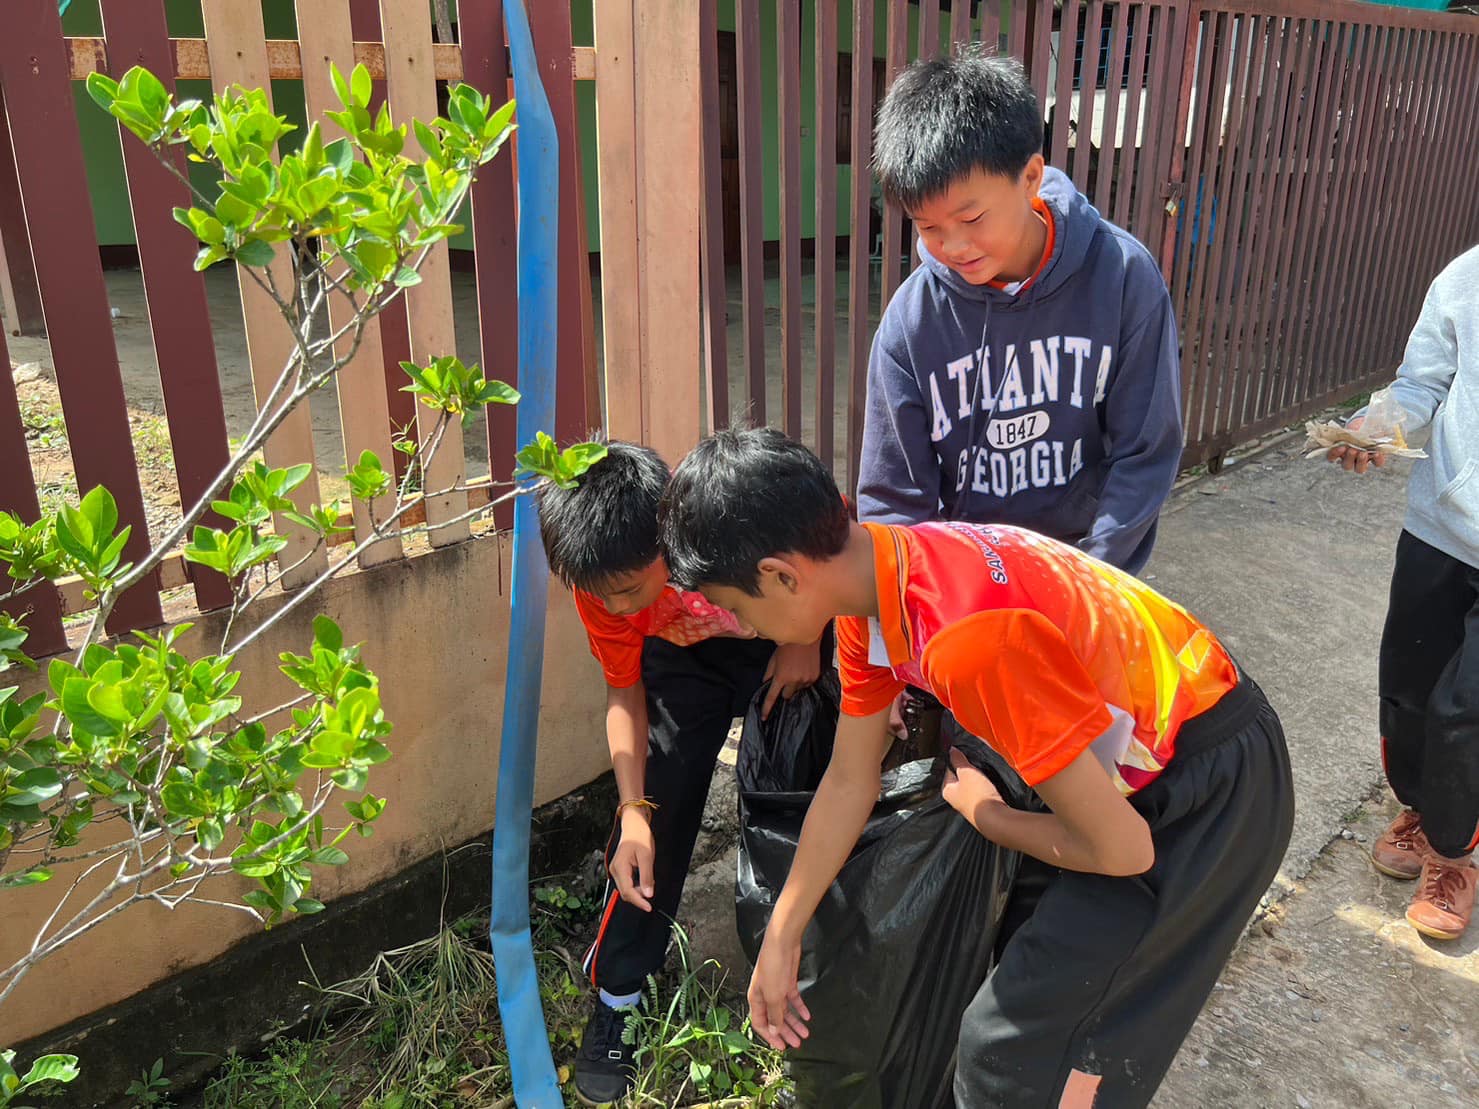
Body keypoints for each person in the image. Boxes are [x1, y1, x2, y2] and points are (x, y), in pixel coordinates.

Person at [659, 427, 1294, 1106]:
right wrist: (783, 934)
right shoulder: (874, 587)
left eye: (736, 608)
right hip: (1130, 769)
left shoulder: (964, 638)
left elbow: (1121, 850)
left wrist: (988, 815)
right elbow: (848, 780)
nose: (743, 628)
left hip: (1205, 794)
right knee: (1021, 995)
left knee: (1020, 1053)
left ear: (782, 575)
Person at [536, 441, 825, 1105]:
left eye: (629, 591)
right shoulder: (602, 583)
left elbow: (832, 544)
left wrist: (805, 637)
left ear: (669, 538)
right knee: (654, 811)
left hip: (785, 636)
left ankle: (812, 981)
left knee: (799, 796)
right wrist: (632, 811)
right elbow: (624, 694)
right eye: (599, 595)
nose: (614, 607)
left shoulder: (735, 509)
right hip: (684, 661)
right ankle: (618, 998)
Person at [858, 48, 1182, 575]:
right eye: (928, 227)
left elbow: (1145, 454)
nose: (954, 246)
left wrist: (1089, 579)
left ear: (1030, 176)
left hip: (1089, 568)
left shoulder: (1124, 277)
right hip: (968, 581)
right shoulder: (911, 324)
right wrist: (927, 594)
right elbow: (894, 499)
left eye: (972, 218)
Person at [1326, 244, 1479, 941]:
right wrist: (1374, 427)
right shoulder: (1466, 277)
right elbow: (1421, 383)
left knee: (1466, 709)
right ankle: (1420, 808)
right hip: (1440, 527)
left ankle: (1453, 853)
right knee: (1409, 687)